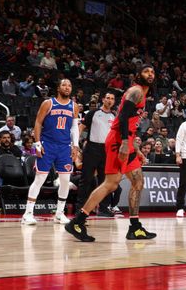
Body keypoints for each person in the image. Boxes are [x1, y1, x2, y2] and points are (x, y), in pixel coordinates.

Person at [65, 65, 157, 242]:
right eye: (146, 71)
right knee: (111, 184)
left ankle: (135, 227)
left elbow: (129, 123)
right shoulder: (136, 91)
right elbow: (121, 117)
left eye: (152, 72)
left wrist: (135, 149)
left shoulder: (142, 94)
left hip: (126, 141)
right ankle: (78, 221)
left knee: (136, 182)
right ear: (139, 75)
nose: (150, 74)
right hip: (118, 141)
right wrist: (124, 143)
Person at [20, 79, 81, 225]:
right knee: (40, 179)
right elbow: (38, 123)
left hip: (64, 147)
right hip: (47, 145)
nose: (67, 87)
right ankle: (27, 214)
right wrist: (37, 144)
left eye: (69, 85)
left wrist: (76, 145)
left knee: (65, 181)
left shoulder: (74, 106)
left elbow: (74, 128)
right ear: (58, 88)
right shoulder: (48, 103)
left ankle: (59, 214)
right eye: (64, 85)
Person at [77, 91, 118, 217]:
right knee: (86, 180)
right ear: (103, 99)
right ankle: (80, 209)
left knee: (105, 181)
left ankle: (104, 208)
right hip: (92, 149)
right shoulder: (93, 113)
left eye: (112, 98)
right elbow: (81, 127)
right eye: (107, 98)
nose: (110, 100)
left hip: (107, 151)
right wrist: (75, 143)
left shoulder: (114, 116)